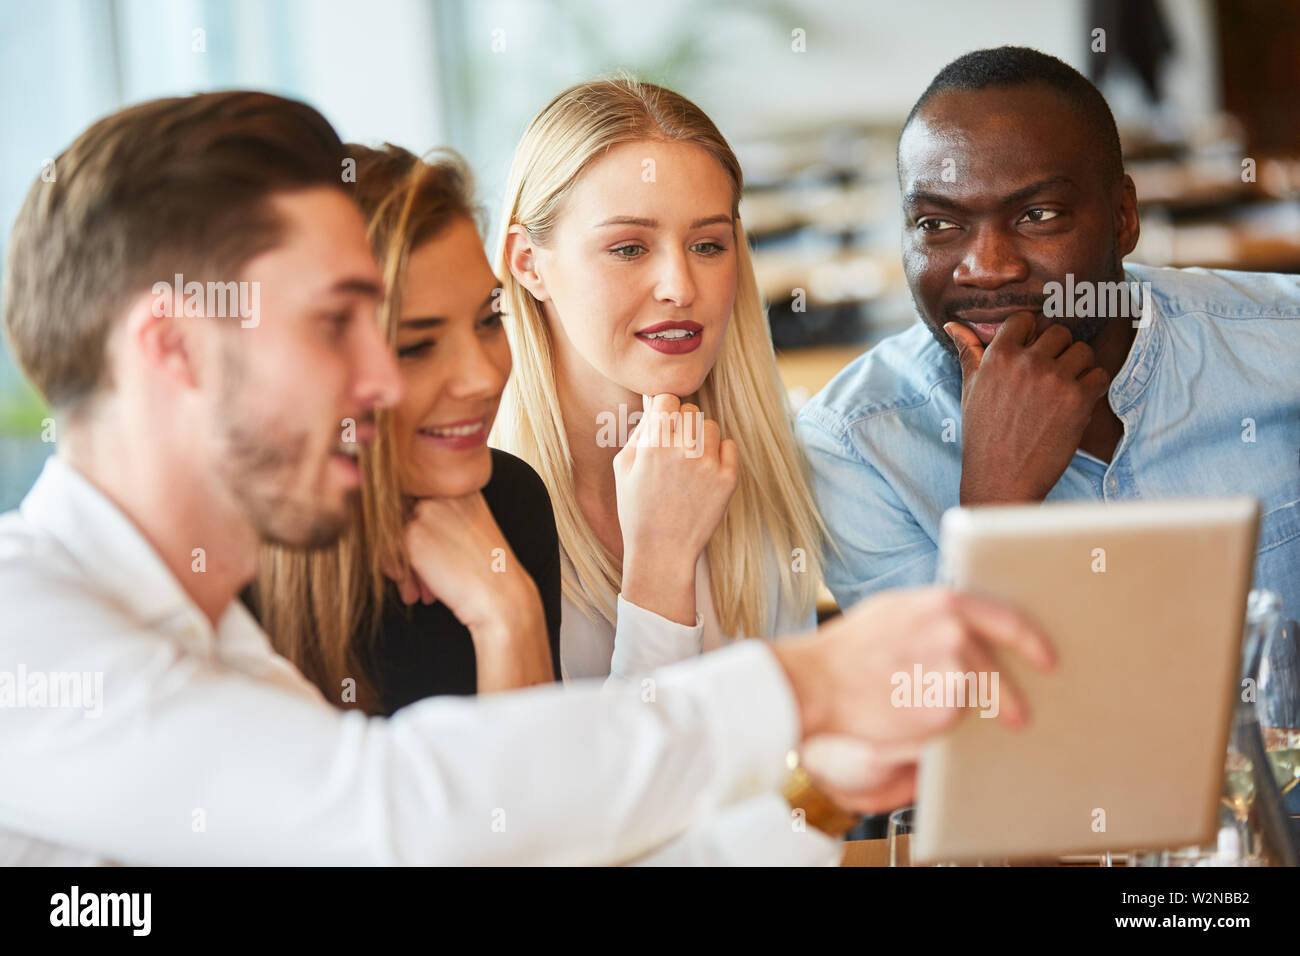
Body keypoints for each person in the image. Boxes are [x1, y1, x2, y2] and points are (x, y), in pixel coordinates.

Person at [0, 90, 1053, 866]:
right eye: (340, 329)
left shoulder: (209, 640)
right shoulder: (26, 627)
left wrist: (807, 788)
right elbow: (400, 808)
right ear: (171, 350)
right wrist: (803, 685)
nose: (381, 383)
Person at [797, 46, 1300, 618]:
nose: (985, 267)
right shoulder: (856, 446)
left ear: (1123, 218)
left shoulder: (1286, 348)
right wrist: (996, 506)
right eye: (937, 223)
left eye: (1037, 215)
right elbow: (950, 703)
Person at [494, 76, 825, 682]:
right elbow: (603, 777)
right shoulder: (484, 516)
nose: (680, 286)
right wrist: (661, 565)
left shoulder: (784, 471)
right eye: (628, 248)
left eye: (707, 245)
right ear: (528, 264)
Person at [250, 144, 560, 714]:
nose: (484, 377)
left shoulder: (509, 506)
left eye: (490, 320)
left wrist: (508, 613)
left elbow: (541, 802)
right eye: (416, 346)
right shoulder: (225, 579)